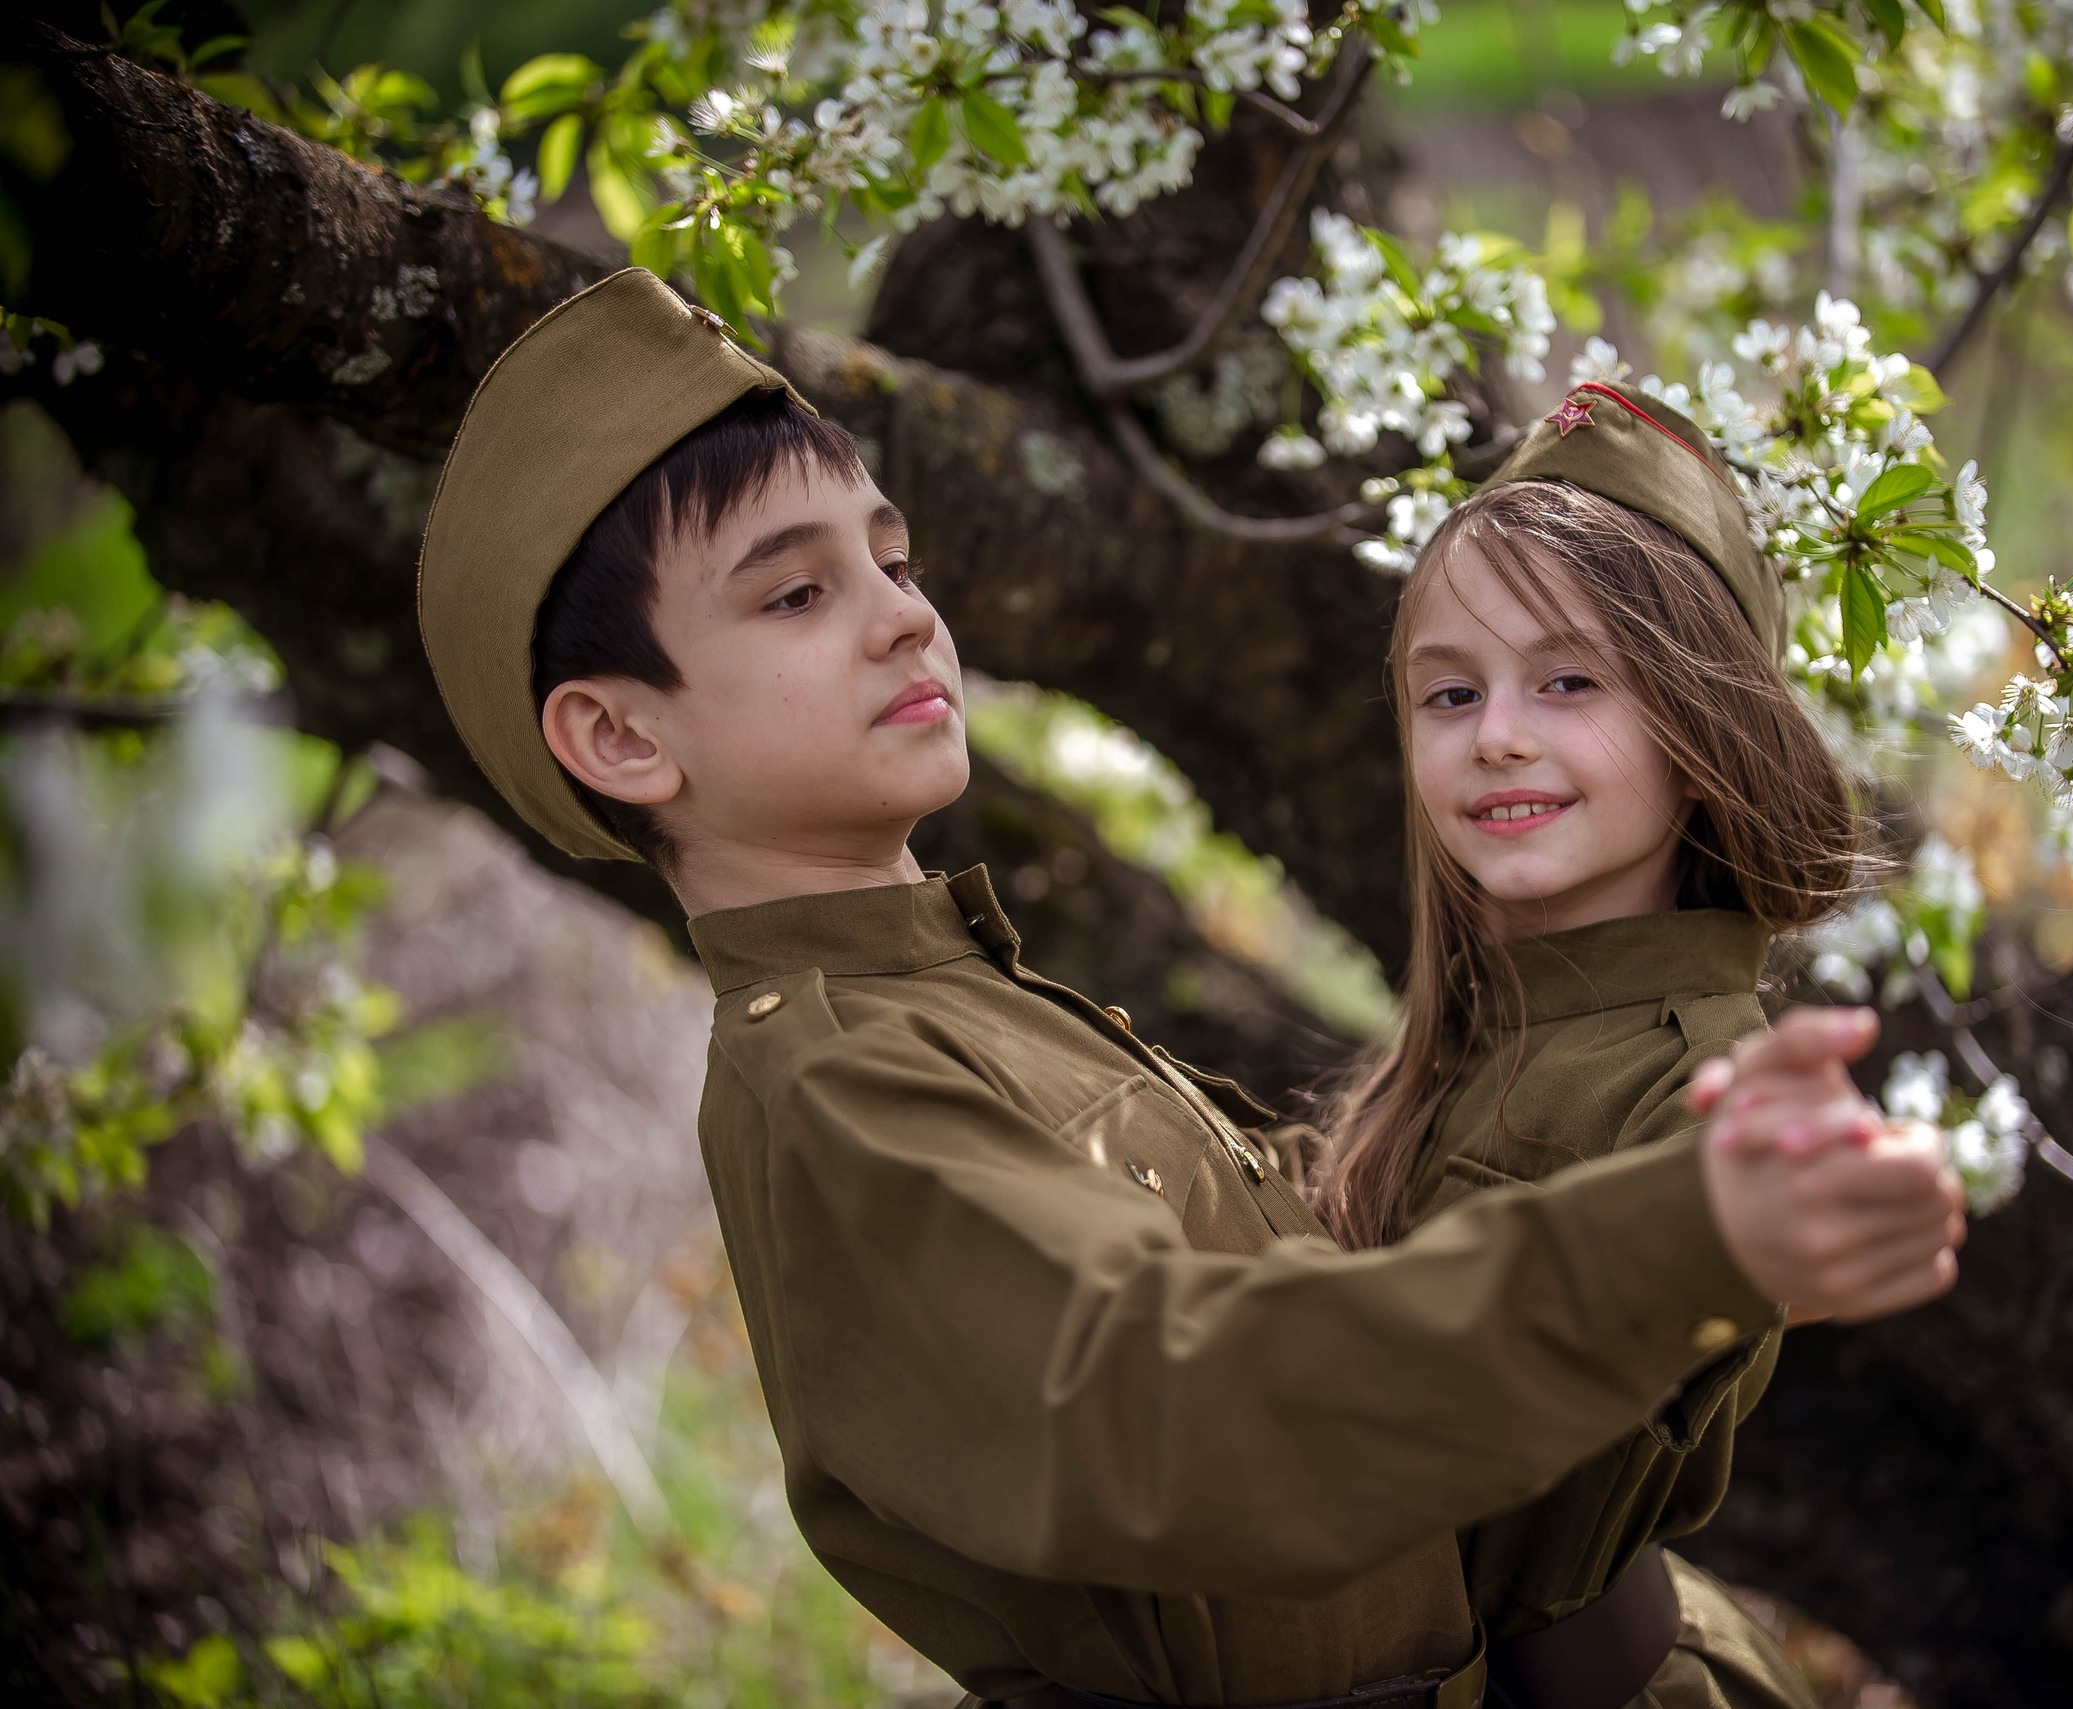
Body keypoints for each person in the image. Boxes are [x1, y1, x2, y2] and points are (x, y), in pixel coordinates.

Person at [412, 269, 1965, 1709]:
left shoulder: (957, 994)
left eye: (892, 558)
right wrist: (1671, 1240)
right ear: (622, 738)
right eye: (795, 595)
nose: (904, 612)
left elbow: (1266, 1255)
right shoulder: (844, 1090)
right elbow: (1189, 1401)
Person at [1318, 383, 1959, 1709]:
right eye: (1450, 691)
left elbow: (1690, 1234)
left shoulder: (1698, 1072)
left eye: (1568, 679)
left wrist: (1747, 1206)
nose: (1498, 731)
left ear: (1698, 723)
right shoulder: (1485, 1026)